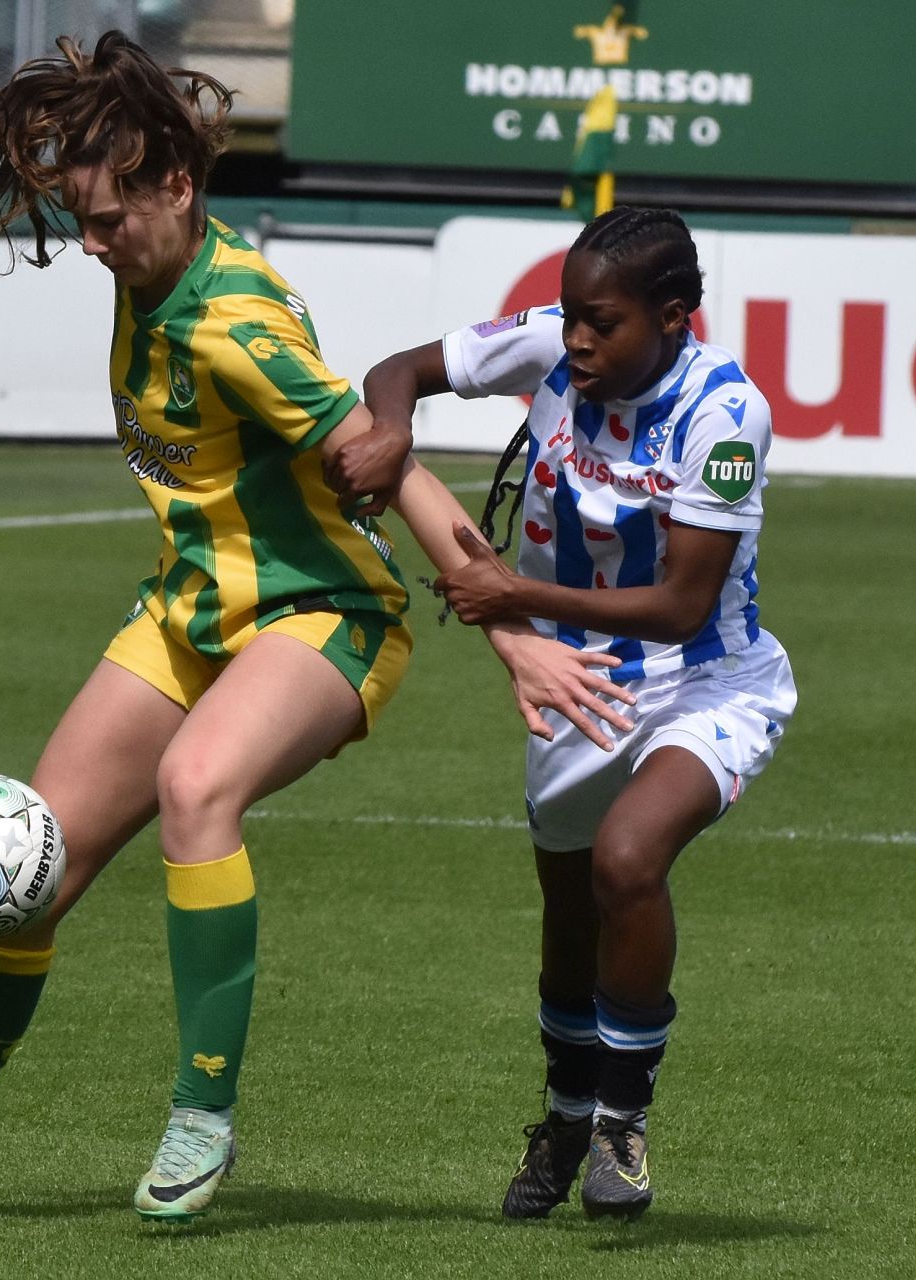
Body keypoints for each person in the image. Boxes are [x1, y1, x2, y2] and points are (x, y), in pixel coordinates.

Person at [0, 31, 631, 1223]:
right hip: (190, 614)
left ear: (175, 187)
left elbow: (387, 467)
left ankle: (200, 1112)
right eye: (77, 220)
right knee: (24, 871)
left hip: (326, 616)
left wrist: (507, 625)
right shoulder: (149, 276)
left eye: (106, 219)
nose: (90, 244)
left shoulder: (234, 324)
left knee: (196, 787)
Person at [340, 206, 796, 1221]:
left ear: (673, 317)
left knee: (627, 859)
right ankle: (563, 1114)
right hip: (575, 680)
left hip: (708, 676)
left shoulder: (724, 413)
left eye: (605, 322)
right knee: (568, 911)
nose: (579, 339)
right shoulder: (550, 346)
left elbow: (682, 603)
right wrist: (393, 427)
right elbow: (395, 369)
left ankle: (622, 1123)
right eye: (571, 315)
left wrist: (517, 596)